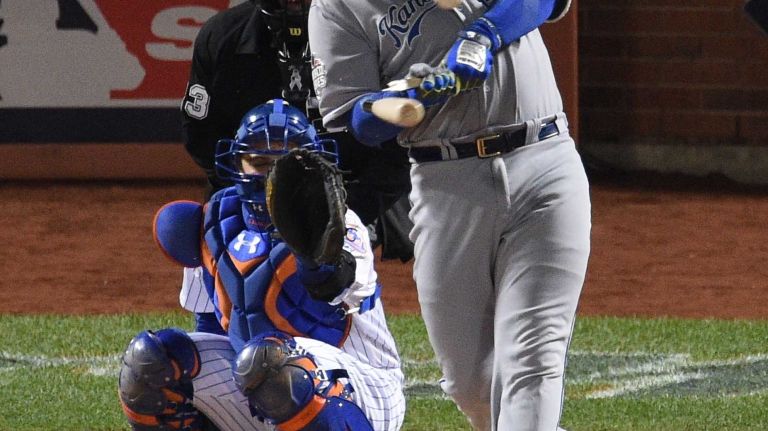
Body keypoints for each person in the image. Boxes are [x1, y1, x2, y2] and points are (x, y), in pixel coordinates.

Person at [308, 1, 591, 430]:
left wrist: (482, 36)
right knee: (469, 383)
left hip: (543, 159)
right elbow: (357, 117)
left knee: (532, 358)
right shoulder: (335, 7)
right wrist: (418, 95)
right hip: (445, 182)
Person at [118, 99, 406, 431]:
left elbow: (334, 284)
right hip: (262, 375)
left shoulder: (339, 223)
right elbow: (210, 326)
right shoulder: (215, 223)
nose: (273, 174)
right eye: (259, 162)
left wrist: (314, 254)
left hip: (364, 386)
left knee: (272, 362)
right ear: (237, 163)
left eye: (287, 162)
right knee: (151, 361)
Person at [179, 0, 413, 262]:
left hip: (352, 188)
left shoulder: (374, 31)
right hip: (247, 188)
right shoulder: (223, 35)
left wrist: (343, 212)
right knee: (236, 275)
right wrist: (244, 197)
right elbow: (200, 135)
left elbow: (398, 151)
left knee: (329, 275)